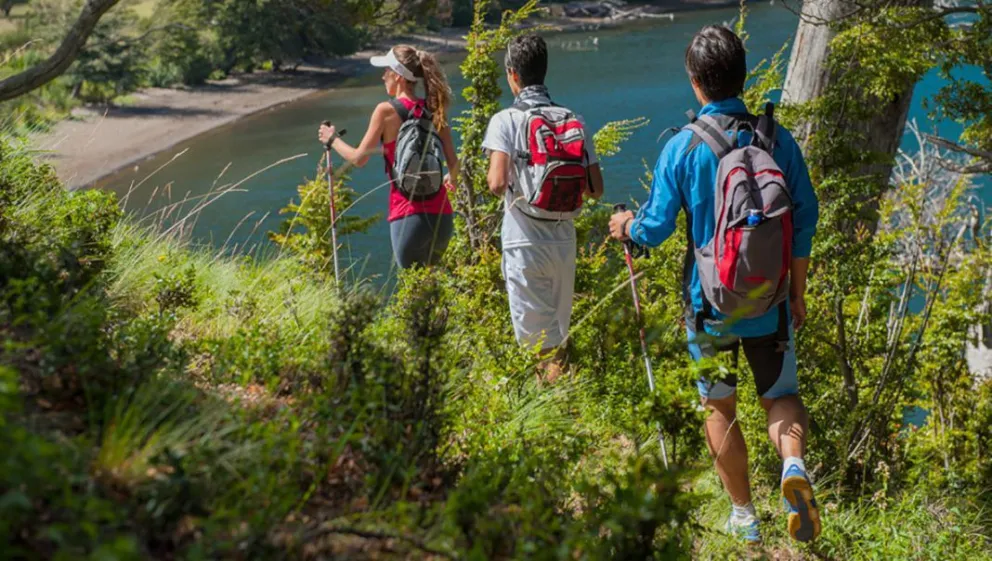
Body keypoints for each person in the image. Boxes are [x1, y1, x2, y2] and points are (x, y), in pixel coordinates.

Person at [609, 25, 820, 543]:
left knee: (719, 406)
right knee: (781, 396)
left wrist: (624, 227)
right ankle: (793, 467)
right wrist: (796, 293)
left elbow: (654, 229)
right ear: (742, 75)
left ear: (695, 82)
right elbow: (806, 217)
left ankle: (745, 517)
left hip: (710, 306)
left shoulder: (683, 147)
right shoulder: (776, 138)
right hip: (769, 302)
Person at [483, 34, 605, 381]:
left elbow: (495, 183)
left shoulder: (505, 120)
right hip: (564, 243)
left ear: (512, 75)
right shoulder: (573, 119)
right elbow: (597, 189)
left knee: (538, 346)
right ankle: (564, 407)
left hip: (525, 244)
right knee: (557, 338)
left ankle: (558, 418)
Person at [318, 45, 458, 269]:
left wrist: (332, 139)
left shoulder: (385, 110)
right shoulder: (434, 108)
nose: (383, 76)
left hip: (407, 215)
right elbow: (453, 163)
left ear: (399, 76)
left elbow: (358, 158)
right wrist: (451, 178)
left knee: (414, 293)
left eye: (386, 71)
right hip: (442, 215)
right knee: (435, 289)